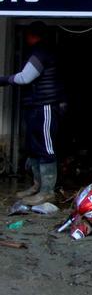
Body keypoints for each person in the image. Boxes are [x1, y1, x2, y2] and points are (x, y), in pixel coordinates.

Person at [1, 22, 65, 208]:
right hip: (36, 105)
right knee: (34, 146)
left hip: (45, 105)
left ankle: (47, 192)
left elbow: (25, 77)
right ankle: (38, 186)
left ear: (32, 35)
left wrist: (4, 80)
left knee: (45, 147)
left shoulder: (41, 52)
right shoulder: (39, 51)